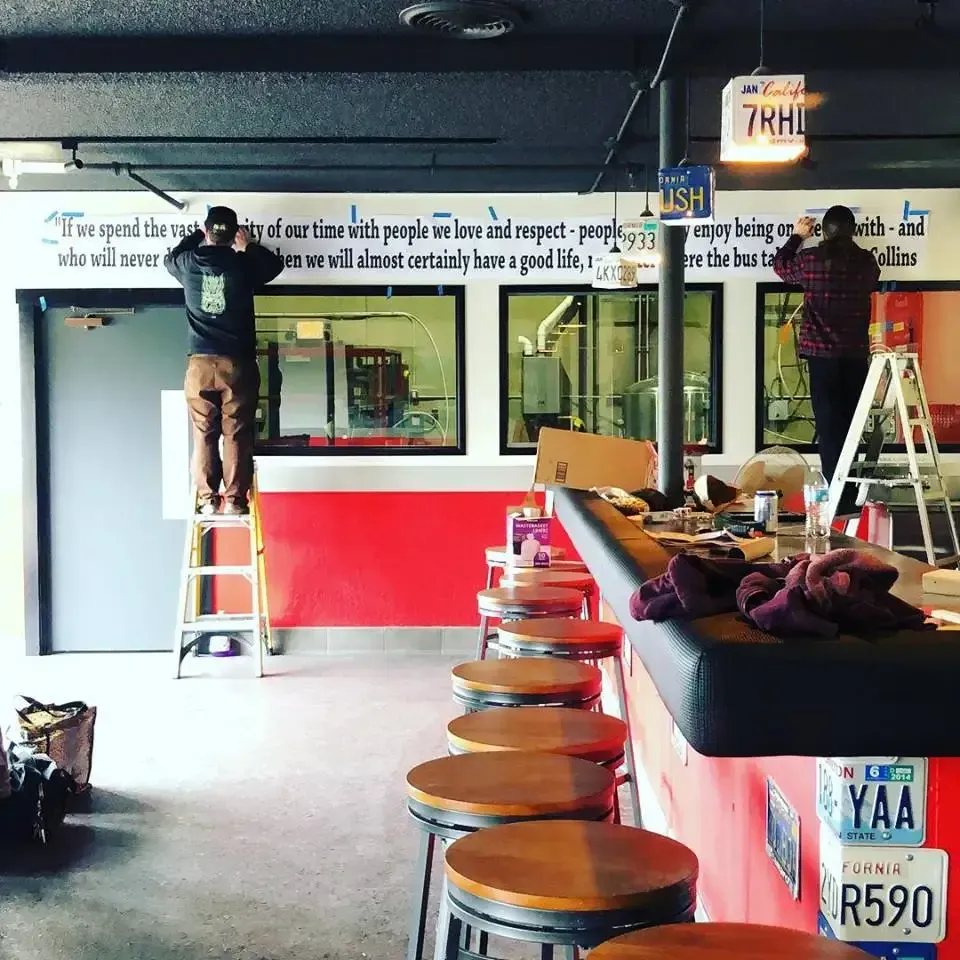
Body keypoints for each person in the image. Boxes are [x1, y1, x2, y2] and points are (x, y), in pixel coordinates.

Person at [164, 206, 284, 515]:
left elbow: (171, 256)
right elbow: (274, 265)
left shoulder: (188, 263)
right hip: (237, 364)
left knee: (204, 432)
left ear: (206, 232)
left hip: (200, 364)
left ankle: (206, 499)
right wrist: (247, 247)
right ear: (234, 235)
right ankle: (233, 499)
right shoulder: (243, 265)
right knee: (237, 432)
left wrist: (197, 234)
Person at [773, 205, 880, 512]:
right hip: (855, 356)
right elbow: (873, 278)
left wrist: (797, 237)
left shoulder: (811, 260)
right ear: (853, 231)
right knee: (851, 425)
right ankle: (852, 494)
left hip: (821, 357)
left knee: (829, 427)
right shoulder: (866, 262)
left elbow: (780, 266)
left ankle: (837, 497)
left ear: (824, 231)